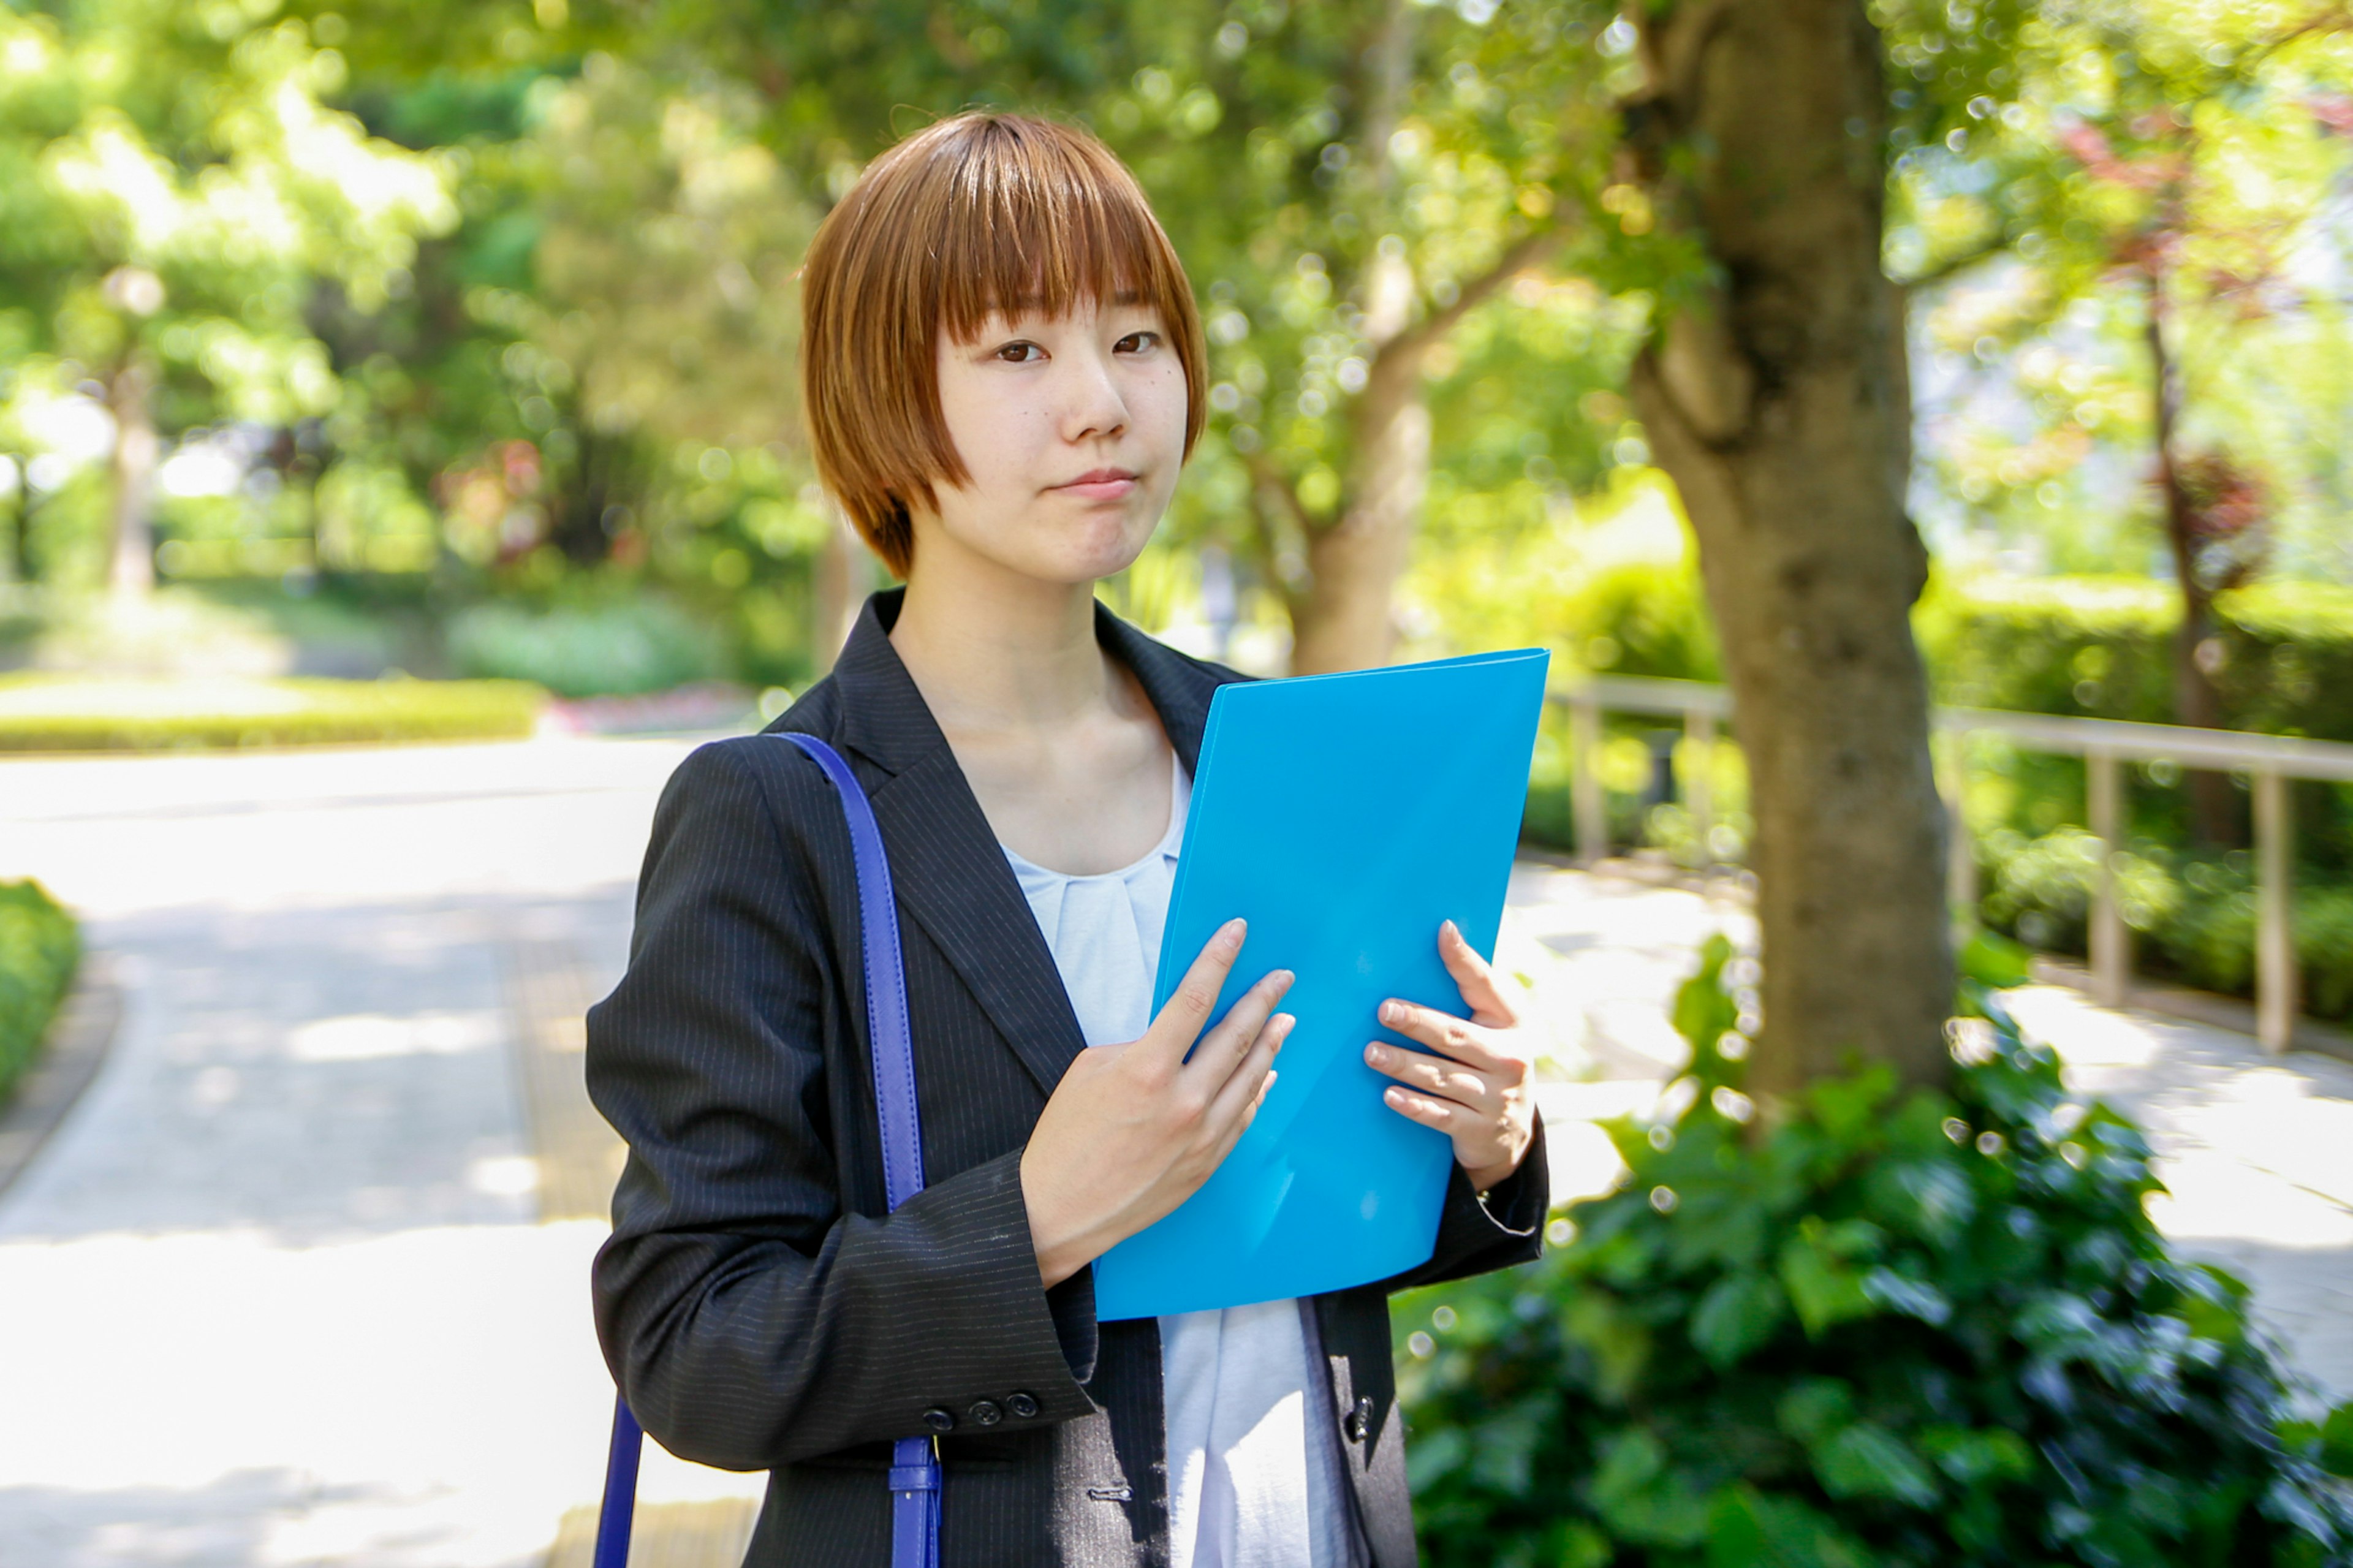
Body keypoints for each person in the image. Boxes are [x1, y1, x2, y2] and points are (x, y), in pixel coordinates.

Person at [586, 110, 1548, 1568]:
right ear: (881, 397)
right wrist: (1031, 1219)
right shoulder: (776, 808)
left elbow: (1333, 1209)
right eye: (1019, 351)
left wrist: (1489, 1138)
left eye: (1139, 337)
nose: (1102, 403)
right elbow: (693, 1340)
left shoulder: (1273, 746)